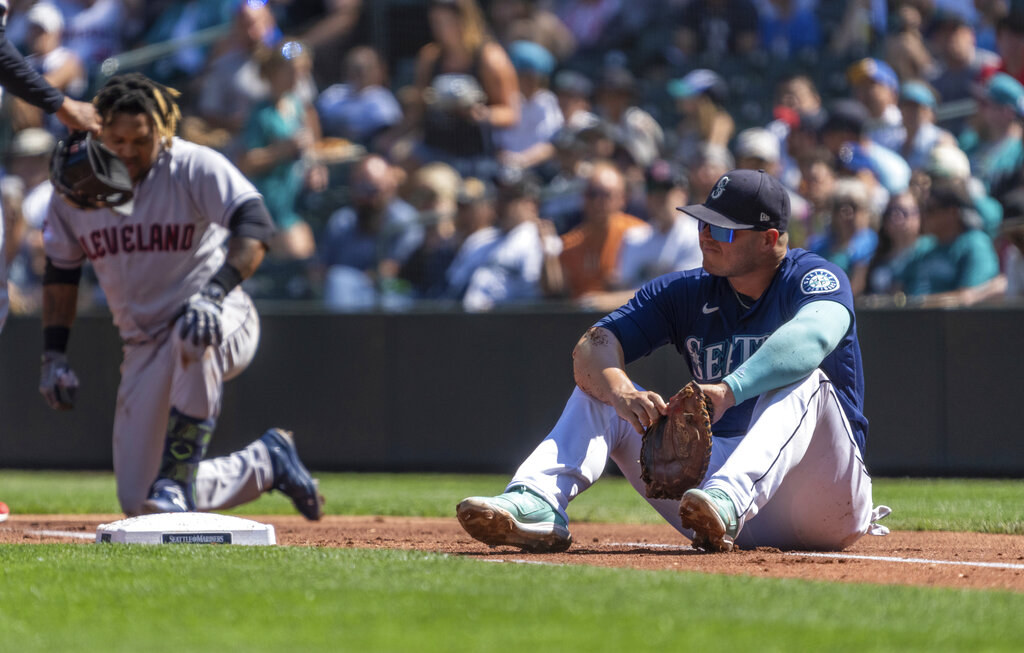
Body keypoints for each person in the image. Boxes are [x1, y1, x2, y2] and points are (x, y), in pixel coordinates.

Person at [457, 168, 888, 553]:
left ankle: (729, 497)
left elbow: (811, 338)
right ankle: (537, 499)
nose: (704, 235)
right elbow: (594, 345)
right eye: (703, 223)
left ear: (769, 239)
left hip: (822, 495)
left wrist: (729, 388)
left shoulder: (815, 277)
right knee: (600, 389)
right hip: (705, 500)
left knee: (806, 379)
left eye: (721, 230)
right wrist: (621, 392)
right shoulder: (688, 290)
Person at [38, 73, 324, 520]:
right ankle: (264, 463)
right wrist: (53, 354)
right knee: (139, 504)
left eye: (141, 139)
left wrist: (214, 292)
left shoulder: (191, 165)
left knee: (192, 331)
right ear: (97, 133)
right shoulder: (77, 186)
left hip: (219, 312)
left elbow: (256, 222)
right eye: (117, 139)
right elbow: (61, 271)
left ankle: (175, 480)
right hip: (144, 344)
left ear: (162, 131)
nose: (129, 151)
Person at [0, 0, 101, 335]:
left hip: (59, 145)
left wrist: (54, 103)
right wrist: (59, 104)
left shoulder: (65, 59)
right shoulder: (22, 60)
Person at [236, 40, 327, 260]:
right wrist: (282, 151)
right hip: (271, 202)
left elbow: (310, 147)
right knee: (299, 252)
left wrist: (315, 168)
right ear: (275, 73)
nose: (297, 79)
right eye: (292, 72)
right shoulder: (261, 113)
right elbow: (246, 162)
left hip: (295, 197)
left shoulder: (296, 105)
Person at [544, 161, 646, 300]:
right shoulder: (571, 243)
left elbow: (652, 290)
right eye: (593, 194)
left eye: (605, 195)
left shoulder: (641, 236)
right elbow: (555, 293)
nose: (598, 202)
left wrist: (605, 301)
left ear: (622, 198)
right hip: (581, 320)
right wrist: (548, 254)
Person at [901, 177, 1001, 306]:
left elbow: (968, 298)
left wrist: (918, 304)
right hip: (908, 321)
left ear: (952, 212)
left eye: (930, 209)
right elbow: (898, 289)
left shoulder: (975, 244)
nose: (923, 215)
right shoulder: (923, 247)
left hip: (950, 324)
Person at [807, 178, 878, 297]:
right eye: (840, 206)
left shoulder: (868, 240)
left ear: (863, 211)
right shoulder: (818, 245)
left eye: (853, 206)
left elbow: (858, 285)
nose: (847, 211)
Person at [864, 191, 924, 296]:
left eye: (903, 212)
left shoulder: (926, 252)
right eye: (891, 212)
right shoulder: (875, 257)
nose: (896, 217)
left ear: (918, 216)